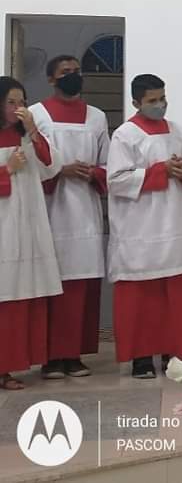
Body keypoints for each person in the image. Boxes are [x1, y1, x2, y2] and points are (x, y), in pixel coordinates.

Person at [107, 74, 182, 378]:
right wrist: (160, 170)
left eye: (163, 98)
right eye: (152, 100)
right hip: (144, 226)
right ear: (136, 102)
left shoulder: (177, 130)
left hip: (179, 222)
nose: (160, 105)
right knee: (144, 297)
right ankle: (142, 358)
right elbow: (116, 180)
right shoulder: (125, 135)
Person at [30, 56, 110, 379]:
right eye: (66, 72)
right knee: (52, 283)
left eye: (77, 71)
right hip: (51, 208)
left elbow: (109, 164)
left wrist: (95, 173)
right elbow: (29, 162)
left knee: (82, 284)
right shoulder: (36, 114)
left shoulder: (97, 117)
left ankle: (74, 354)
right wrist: (59, 170)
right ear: (51, 79)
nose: (73, 76)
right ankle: (50, 357)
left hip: (86, 211)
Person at [0, 76, 63, 390]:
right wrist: (6, 170)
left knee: (22, 294)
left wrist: (34, 132)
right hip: (3, 225)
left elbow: (51, 167)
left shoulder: (26, 136)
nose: (18, 108)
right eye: (11, 102)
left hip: (27, 225)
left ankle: (11, 365)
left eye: (22, 102)